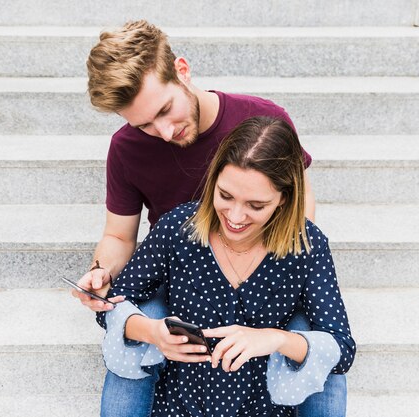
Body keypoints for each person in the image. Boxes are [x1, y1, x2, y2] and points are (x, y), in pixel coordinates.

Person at [72, 20, 347, 416]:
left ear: (182, 71)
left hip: (269, 267)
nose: (164, 132)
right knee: (133, 339)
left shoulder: (263, 119)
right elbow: (118, 236)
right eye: (144, 124)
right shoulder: (127, 150)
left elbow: (301, 212)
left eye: (166, 110)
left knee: (318, 345)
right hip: (174, 269)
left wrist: (268, 287)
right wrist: (100, 272)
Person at [97, 116, 356, 417]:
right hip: (179, 407)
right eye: (225, 195)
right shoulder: (178, 228)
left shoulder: (307, 245)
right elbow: (114, 303)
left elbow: (341, 349)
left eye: (255, 205)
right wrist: (153, 331)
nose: (235, 216)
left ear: (283, 199)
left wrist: (275, 338)